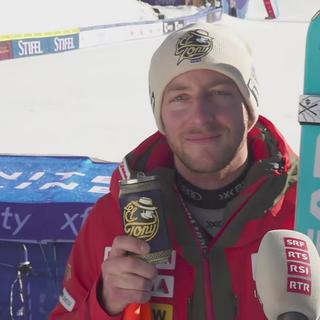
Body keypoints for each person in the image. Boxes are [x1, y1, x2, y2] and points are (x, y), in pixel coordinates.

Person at [49, 22, 298, 319]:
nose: (201, 117)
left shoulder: (307, 209)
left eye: (219, 93)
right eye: (180, 97)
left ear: (249, 106)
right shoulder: (112, 220)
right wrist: (104, 305)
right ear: (161, 116)